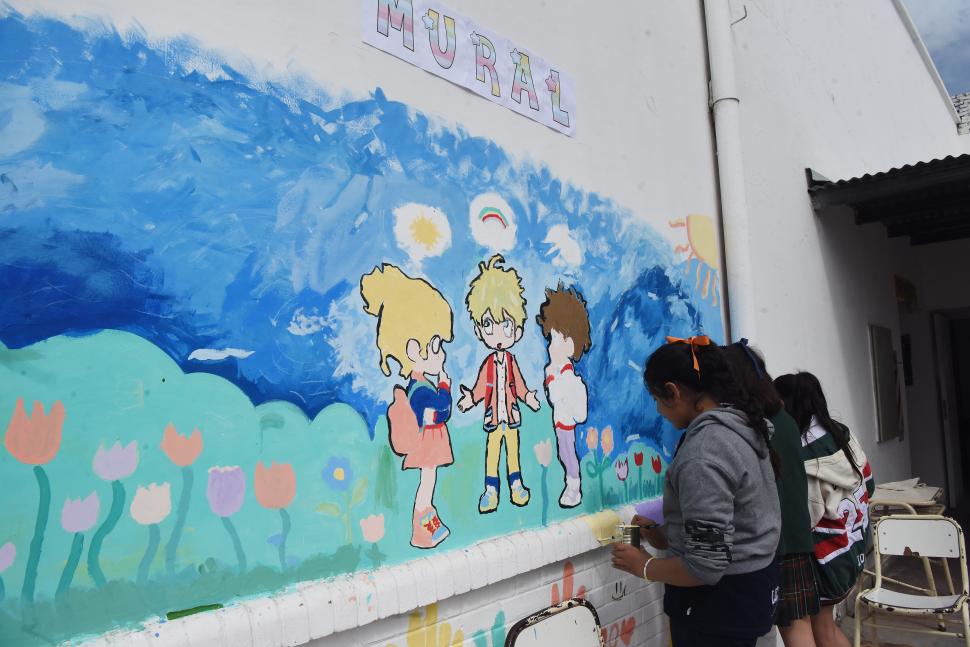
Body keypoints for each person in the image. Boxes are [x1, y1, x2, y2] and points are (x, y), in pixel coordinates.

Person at [612, 336, 781, 647]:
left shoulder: (705, 450)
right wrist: (662, 534)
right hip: (749, 595)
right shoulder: (741, 429)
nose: (659, 411)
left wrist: (644, 565)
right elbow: (732, 522)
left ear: (673, 392)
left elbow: (705, 565)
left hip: (717, 609)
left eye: (656, 399)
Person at [723, 342, 818, 647]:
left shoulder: (752, 425)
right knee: (799, 628)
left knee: (775, 629)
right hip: (797, 535)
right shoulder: (785, 418)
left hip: (772, 542)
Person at [774, 372, 875, 647]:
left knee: (823, 634)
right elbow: (871, 485)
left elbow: (801, 517)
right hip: (852, 550)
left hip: (826, 560)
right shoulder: (842, 433)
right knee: (826, 630)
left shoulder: (801, 456)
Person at [360, 263, 455, 548]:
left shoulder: (419, 386)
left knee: (428, 484)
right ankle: (423, 528)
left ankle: (427, 523)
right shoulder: (421, 390)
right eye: (436, 344)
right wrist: (445, 385)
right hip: (427, 445)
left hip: (430, 443)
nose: (441, 352)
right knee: (426, 486)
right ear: (414, 350)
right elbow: (441, 412)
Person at [457, 254, 542, 513]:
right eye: (489, 325)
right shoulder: (489, 364)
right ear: (480, 330)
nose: (498, 334)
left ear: (517, 328)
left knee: (513, 452)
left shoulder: (512, 361)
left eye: (506, 324)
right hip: (494, 419)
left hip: (512, 417)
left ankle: (516, 486)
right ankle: (491, 490)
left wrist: (529, 398)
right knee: (492, 454)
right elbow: (481, 387)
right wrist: (470, 399)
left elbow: (520, 385)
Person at [535, 283, 592, 508]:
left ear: (570, 344)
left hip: (566, 423)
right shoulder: (556, 371)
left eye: (556, 339)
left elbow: (556, 395)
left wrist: (552, 377)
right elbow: (552, 396)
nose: (551, 346)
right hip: (560, 422)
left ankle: (574, 486)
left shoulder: (566, 375)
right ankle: (571, 482)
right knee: (563, 452)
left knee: (568, 453)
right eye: (551, 339)